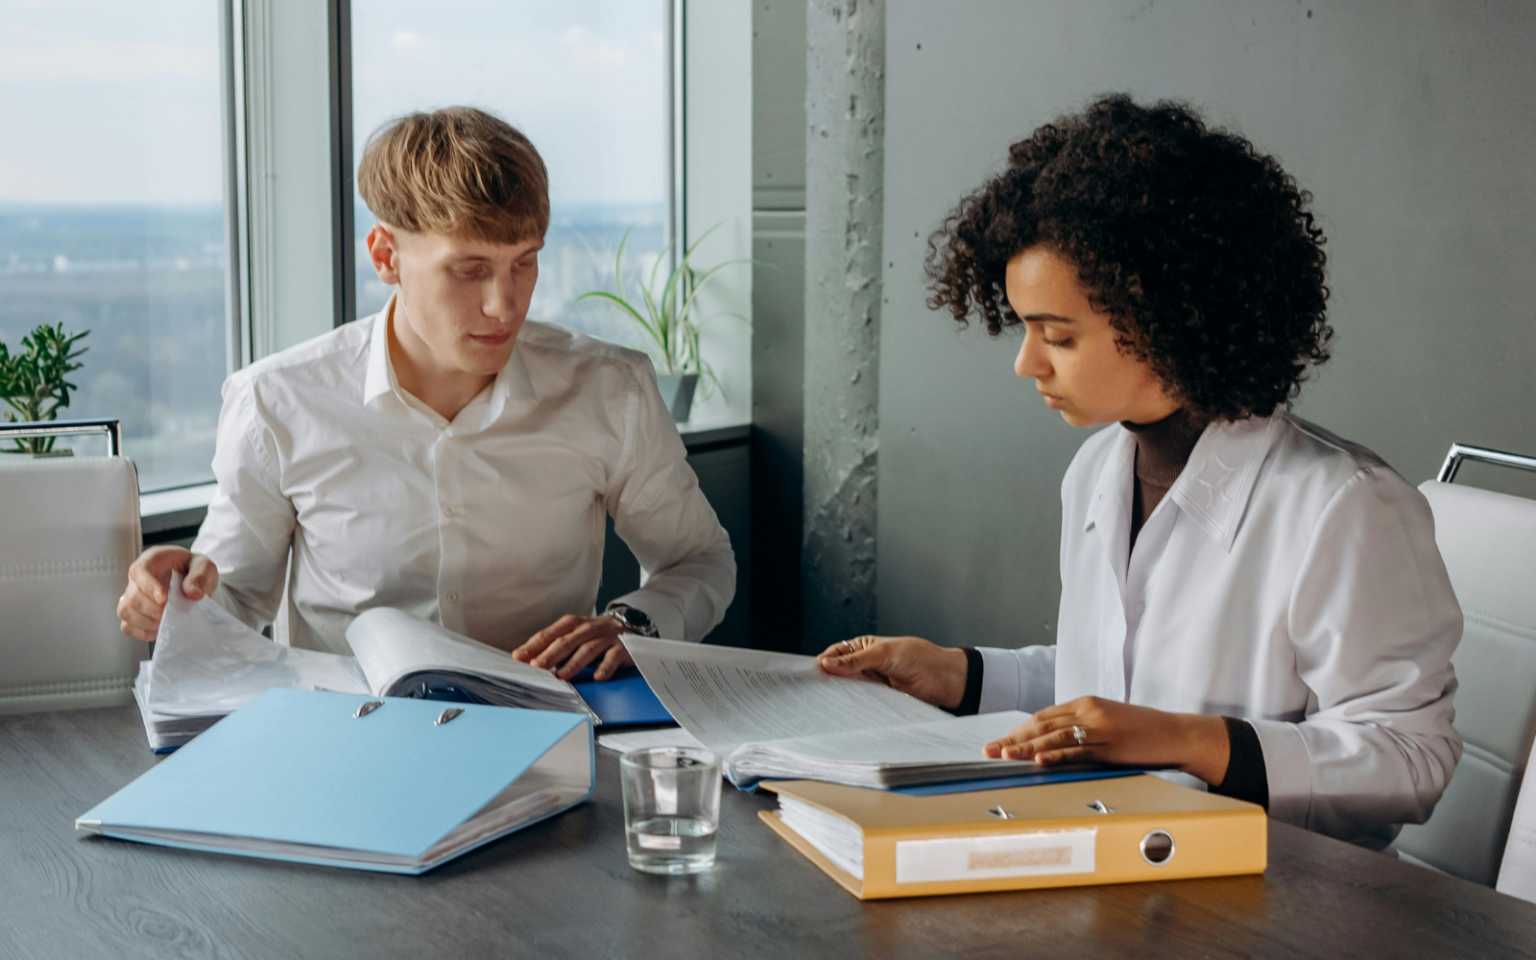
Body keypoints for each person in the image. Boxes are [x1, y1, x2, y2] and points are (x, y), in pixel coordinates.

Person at [818, 95, 1462, 848]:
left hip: (1278, 897)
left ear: (1168, 319)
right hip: (1120, 864)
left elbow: (1412, 760)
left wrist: (1189, 741)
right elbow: (1115, 691)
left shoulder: (1344, 506)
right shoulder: (1096, 468)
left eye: (1056, 335)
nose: (1026, 363)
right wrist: (961, 674)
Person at [117, 106, 734, 681]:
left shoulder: (610, 390)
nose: (505, 304)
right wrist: (176, 597)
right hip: (345, 742)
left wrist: (631, 625)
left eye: (524, 262)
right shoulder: (276, 402)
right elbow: (234, 600)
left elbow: (700, 560)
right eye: (470, 270)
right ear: (387, 255)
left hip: (551, 734)